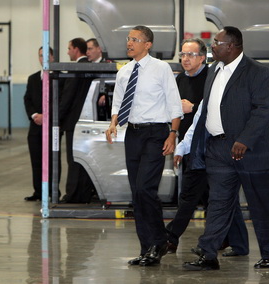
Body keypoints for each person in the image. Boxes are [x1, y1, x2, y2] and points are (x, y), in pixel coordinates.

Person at [183, 26, 269, 271]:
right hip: (218, 148)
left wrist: (244, 140)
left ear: (232, 46)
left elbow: (262, 110)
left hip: (251, 150)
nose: (213, 46)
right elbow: (209, 109)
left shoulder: (258, 72)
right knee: (218, 203)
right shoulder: (214, 70)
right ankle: (208, 254)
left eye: (217, 42)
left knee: (261, 204)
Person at [105, 25, 183, 266]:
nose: (129, 43)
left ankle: (158, 242)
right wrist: (112, 124)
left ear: (148, 45)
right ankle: (147, 247)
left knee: (145, 189)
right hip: (134, 134)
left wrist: (172, 135)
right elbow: (118, 103)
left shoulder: (161, 69)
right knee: (137, 193)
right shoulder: (124, 71)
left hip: (156, 133)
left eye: (135, 39)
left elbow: (174, 104)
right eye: (129, 39)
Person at [165, 38, 249, 257]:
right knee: (217, 197)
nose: (185, 59)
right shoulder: (179, 80)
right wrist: (179, 143)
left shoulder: (211, 77)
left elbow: (209, 111)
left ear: (202, 58)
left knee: (194, 196)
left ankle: (171, 238)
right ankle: (233, 241)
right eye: (182, 55)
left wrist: (191, 107)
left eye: (190, 55)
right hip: (189, 144)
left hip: (208, 145)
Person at [59, 37, 95, 203]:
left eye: (69, 48)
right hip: (89, 119)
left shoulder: (75, 69)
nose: (67, 52)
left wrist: (57, 119)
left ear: (76, 49)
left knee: (73, 161)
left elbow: (68, 97)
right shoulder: (92, 67)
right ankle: (84, 193)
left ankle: (72, 195)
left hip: (73, 122)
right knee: (86, 160)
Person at [24, 46, 57, 201]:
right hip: (35, 126)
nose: (42, 58)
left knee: (52, 160)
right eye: (40, 55)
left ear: (52, 57)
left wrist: (47, 116)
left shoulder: (58, 77)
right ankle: (38, 192)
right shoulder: (32, 79)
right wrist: (35, 115)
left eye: (45, 55)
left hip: (51, 126)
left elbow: (59, 100)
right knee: (36, 161)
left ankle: (52, 191)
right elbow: (27, 99)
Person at [86, 38, 108, 121]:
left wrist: (105, 95)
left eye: (90, 49)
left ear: (99, 49)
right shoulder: (85, 67)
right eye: (86, 49)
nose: (87, 52)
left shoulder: (108, 65)